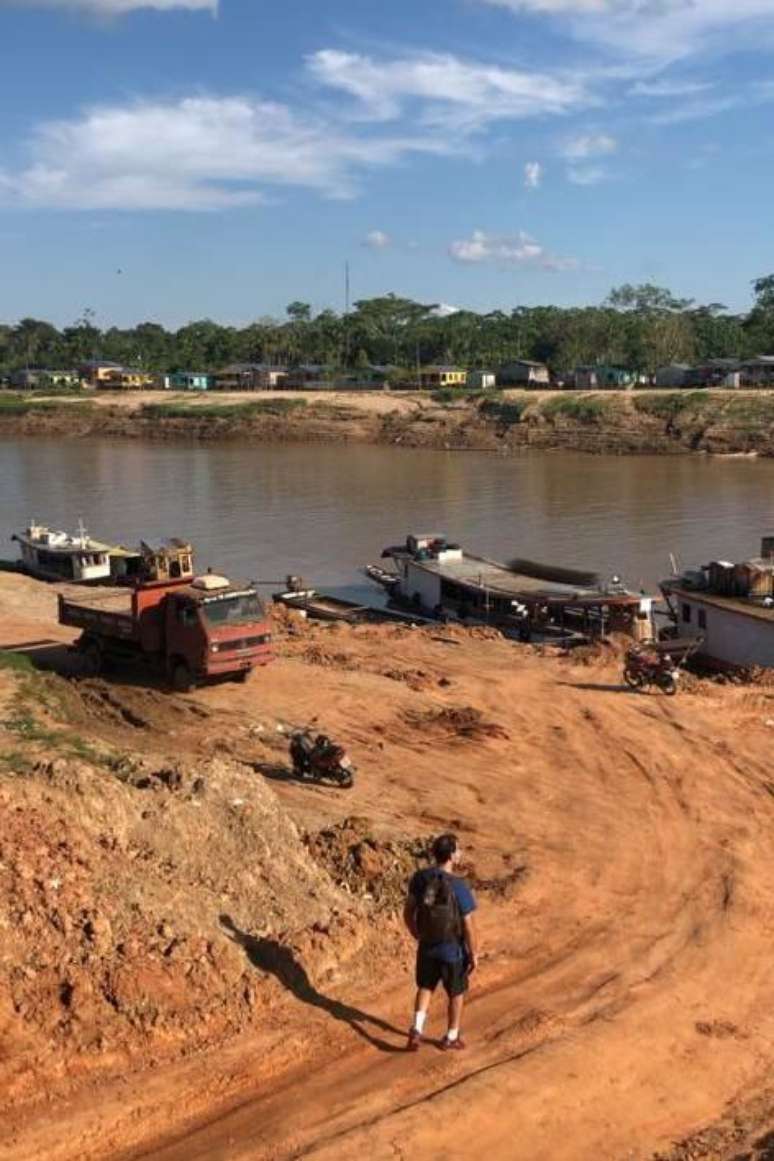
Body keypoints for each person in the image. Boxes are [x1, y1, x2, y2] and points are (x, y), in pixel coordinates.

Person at [404, 833, 478, 1052]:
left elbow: (408, 912)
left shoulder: (420, 878)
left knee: (425, 986)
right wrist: (474, 953)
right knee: (456, 993)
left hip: (427, 945)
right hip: (452, 950)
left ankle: (416, 1030)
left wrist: (418, 934)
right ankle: (451, 1036)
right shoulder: (459, 886)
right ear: (452, 856)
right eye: (458, 850)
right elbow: (469, 926)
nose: (460, 853)